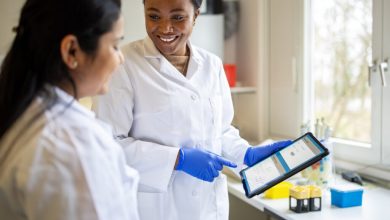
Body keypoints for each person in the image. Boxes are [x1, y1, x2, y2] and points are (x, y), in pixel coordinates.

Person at [93, 0, 291, 219]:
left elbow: (220, 131)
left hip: (209, 209)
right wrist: (178, 158)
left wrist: (246, 153)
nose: (165, 28)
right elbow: (107, 146)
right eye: (154, 16)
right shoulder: (123, 64)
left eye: (178, 17)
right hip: (156, 210)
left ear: (196, 15)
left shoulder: (212, 65)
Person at [0, 0, 139, 219]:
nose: (120, 58)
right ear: (72, 51)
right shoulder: (72, 146)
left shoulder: (25, 110)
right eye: (114, 45)